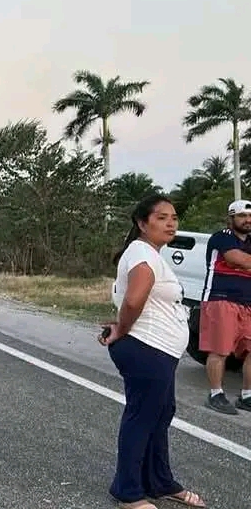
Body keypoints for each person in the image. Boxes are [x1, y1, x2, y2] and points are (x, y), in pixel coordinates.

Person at [100, 194, 205, 508]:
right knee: (143, 417)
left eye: (173, 217)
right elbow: (134, 300)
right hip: (146, 348)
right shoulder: (142, 252)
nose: (171, 223)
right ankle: (128, 491)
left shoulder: (149, 254)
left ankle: (160, 482)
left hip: (158, 350)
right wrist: (121, 328)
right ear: (142, 223)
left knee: (160, 414)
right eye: (161, 217)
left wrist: (121, 324)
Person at [200, 199, 251, 414]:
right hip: (220, 299)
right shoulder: (221, 238)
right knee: (219, 350)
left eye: (250, 217)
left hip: (247, 302)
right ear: (231, 218)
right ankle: (215, 393)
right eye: (242, 216)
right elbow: (240, 260)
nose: (248, 220)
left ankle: (247, 395)